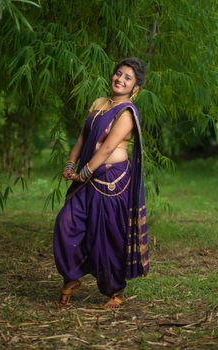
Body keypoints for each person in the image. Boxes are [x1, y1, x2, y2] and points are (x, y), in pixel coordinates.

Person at [54, 57, 150, 309]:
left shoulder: (127, 112)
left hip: (111, 181)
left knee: (106, 236)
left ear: (135, 87)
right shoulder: (99, 104)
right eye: (118, 74)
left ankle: (115, 291)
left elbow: (107, 147)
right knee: (66, 222)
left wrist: (85, 173)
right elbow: (82, 138)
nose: (120, 79)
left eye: (127, 78)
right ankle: (72, 276)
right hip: (86, 176)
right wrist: (70, 163)